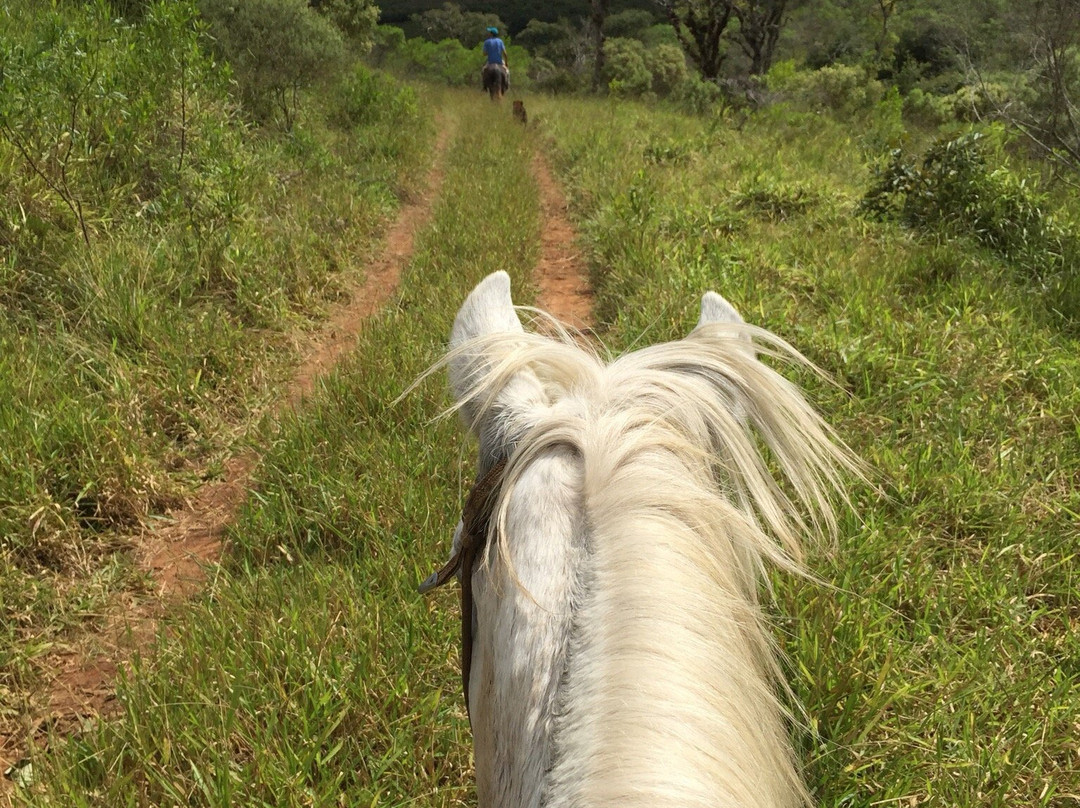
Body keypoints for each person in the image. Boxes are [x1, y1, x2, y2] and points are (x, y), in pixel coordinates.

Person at [481, 26, 509, 99]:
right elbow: (505, 54)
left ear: (491, 34)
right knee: (507, 71)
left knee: (483, 70)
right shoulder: (500, 41)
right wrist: (506, 63)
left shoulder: (487, 42)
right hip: (499, 62)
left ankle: (484, 86)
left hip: (490, 62)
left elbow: (484, 53)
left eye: (489, 32)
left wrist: (490, 52)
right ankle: (506, 84)